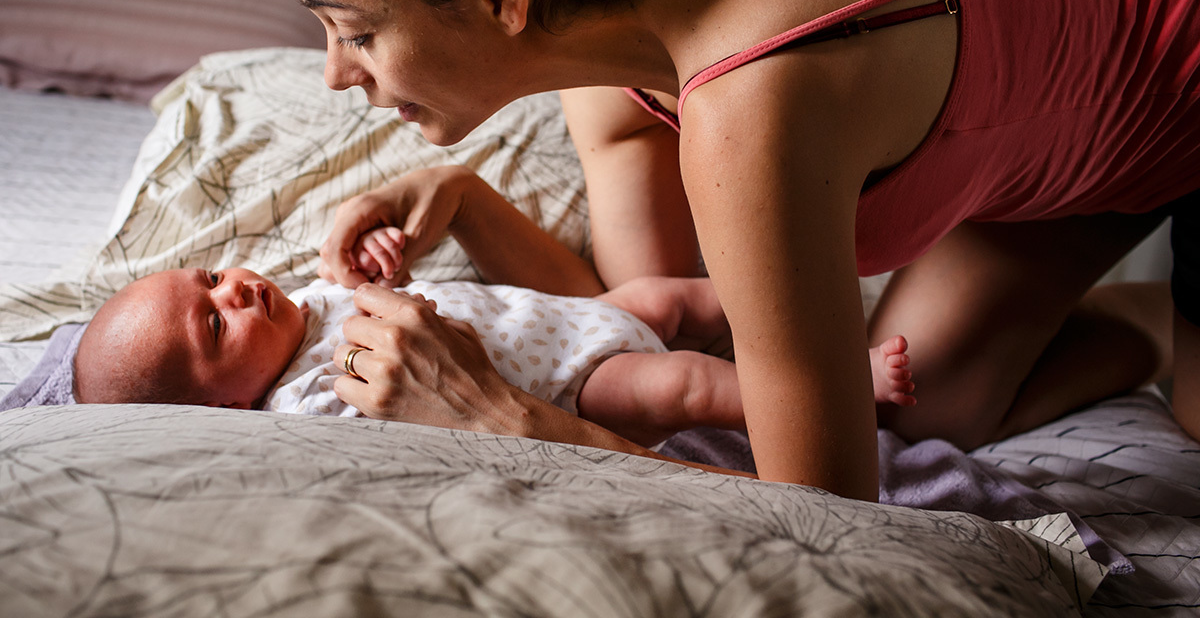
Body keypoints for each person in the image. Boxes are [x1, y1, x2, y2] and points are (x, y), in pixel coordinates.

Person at [265, 0, 1196, 499]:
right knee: (918, 411)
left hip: (1175, 28)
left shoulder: (755, 105)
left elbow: (823, 513)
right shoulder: (610, 26)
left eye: (353, 29)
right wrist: (466, 198)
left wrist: (502, 421)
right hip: (1087, 99)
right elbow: (641, 326)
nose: (338, 76)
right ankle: (1155, 323)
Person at [72, 233, 916, 450]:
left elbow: (390, 289)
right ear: (226, 406)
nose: (238, 288)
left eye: (213, 277)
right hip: (576, 377)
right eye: (217, 323)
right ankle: (848, 382)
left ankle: (806, 305)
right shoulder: (304, 399)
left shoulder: (303, 298)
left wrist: (378, 259)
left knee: (672, 296)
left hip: (574, 314)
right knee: (680, 388)